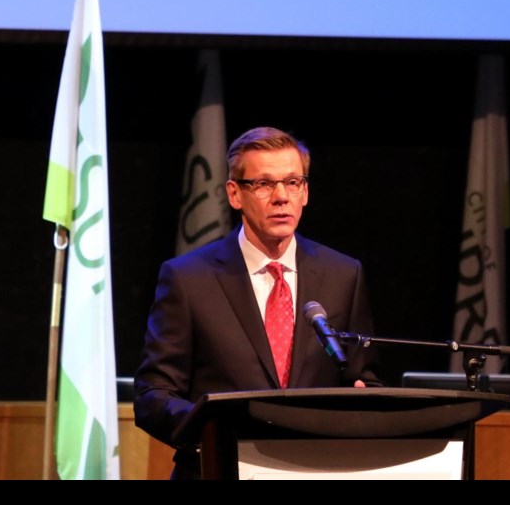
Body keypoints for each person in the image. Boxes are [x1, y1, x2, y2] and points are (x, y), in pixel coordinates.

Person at [134, 126, 381, 477]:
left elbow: (363, 379)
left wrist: (363, 403)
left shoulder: (343, 274)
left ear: (305, 191)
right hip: (217, 468)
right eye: (264, 184)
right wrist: (213, 430)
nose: (281, 196)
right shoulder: (189, 279)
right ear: (235, 194)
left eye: (293, 182)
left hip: (314, 469)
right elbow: (153, 396)